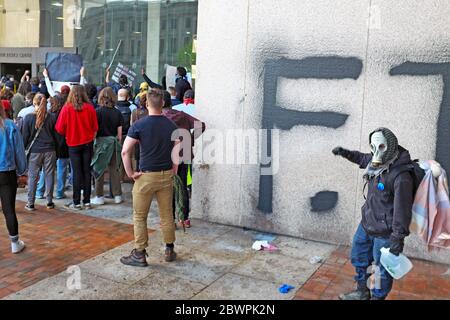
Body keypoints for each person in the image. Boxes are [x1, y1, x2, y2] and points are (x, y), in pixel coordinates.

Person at [332, 127, 414, 300]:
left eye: (381, 147)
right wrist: (345, 153)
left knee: (380, 270)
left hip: (385, 233)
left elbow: (403, 211)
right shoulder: (375, 163)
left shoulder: (401, 176)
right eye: (373, 147)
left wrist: (397, 238)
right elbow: (362, 158)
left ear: (390, 146)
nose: (376, 152)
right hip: (367, 224)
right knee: (359, 257)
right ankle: (362, 291)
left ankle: (377, 297)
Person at [120, 89, 180, 267]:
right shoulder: (172, 126)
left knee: (140, 216)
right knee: (167, 215)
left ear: (146, 104)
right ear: (163, 104)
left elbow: (125, 151)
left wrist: (130, 173)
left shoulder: (138, 125)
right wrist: (174, 170)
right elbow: (177, 151)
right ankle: (169, 249)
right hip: (166, 175)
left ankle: (139, 253)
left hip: (145, 177)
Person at [162, 91, 205, 228]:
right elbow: (201, 125)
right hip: (185, 154)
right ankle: (185, 218)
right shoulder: (181, 114)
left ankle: (171, 221)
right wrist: (190, 139)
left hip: (168, 156)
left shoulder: (161, 117)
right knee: (183, 186)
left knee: (168, 188)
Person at [56, 85, 98, 210]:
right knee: (86, 171)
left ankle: (76, 201)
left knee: (76, 172)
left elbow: (59, 128)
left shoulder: (67, 108)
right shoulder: (90, 108)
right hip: (87, 143)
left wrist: (69, 133)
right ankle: (87, 200)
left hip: (73, 143)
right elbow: (95, 127)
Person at [22, 93, 58, 211]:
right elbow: (56, 135)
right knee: (49, 175)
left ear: (34, 103)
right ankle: (49, 201)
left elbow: (25, 137)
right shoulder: (52, 117)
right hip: (50, 150)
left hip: (35, 151)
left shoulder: (28, 118)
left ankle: (30, 203)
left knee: (32, 176)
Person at [0, 105, 27, 253]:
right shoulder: (10, 125)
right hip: (7, 171)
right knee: (8, 209)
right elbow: (19, 150)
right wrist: (22, 170)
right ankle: (15, 243)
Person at [91, 87, 124, 205]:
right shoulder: (118, 112)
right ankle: (118, 196)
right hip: (114, 143)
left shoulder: (97, 112)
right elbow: (120, 135)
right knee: (114, 170)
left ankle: (99, 196)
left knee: (98, 169)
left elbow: (94, 131)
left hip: (101, 143)